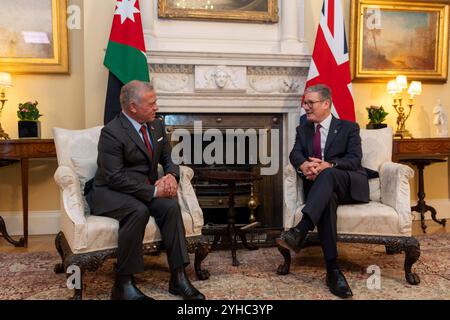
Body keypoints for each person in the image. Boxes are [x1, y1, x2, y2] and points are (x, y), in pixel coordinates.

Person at [86, 80, 205, 300]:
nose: (156, 107)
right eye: (151, 103)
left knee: (170, 207)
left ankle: (178, 278)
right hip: (109, 192)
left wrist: (171, 176)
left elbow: (169, 158)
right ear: (132, 107)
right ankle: (123, 284)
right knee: (137, 211)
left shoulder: (156, 125)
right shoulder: (111, 132)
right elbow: (114, 177)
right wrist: (153, 192)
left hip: (141, 189)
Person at [277, 84, 370, 299]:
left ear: (326, 104)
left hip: (347, 183)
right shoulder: (303, 129)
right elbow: (295, 154)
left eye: (311, 103)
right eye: (305, 103)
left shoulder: (349, 128)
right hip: (322, 191)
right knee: (327, 199)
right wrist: (304, 166)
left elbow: (355, 160)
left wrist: (328, 166)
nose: (306, 107)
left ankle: (301, 229)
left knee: (327, 174)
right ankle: (333, 270)